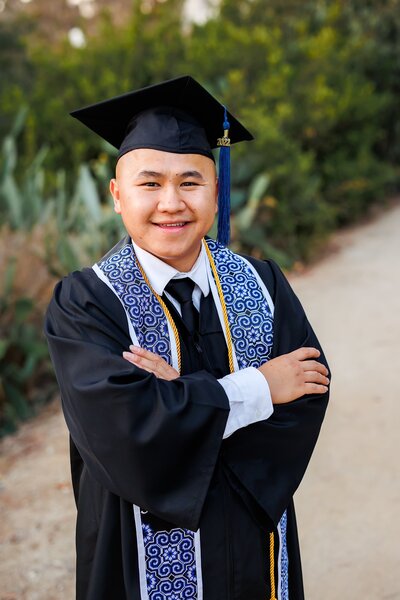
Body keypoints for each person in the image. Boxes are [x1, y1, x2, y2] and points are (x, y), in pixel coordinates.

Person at [45, 75, 330, 600]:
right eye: (149, 183)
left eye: (190, 182)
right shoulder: (86, 303)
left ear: (216, 191)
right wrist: (257, 389)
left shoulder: (263, 286)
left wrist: (179, 401)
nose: (171, 203)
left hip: (251, 537)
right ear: (116, 195)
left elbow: (308, 392)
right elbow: (123, 429)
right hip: (135, 553)